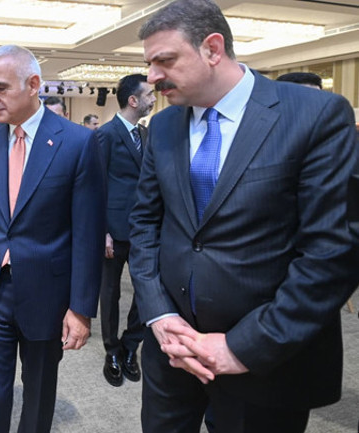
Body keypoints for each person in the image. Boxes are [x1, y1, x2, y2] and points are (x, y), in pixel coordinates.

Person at [129, 1, 359, 432]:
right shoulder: (163, 126)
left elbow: (332, 252)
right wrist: (159, 315)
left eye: (165, 60)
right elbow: (144, 225)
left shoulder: (315, 115)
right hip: (171, 350)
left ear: (213, 49)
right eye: (149, 64)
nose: (153, 77)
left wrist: (242, 347)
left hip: (265, 360)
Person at [0, 44, 104, 433]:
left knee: (38, 394)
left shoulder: (78, 142)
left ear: (33, 84)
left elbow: (87, 233)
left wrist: (81, 308)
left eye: (0, 88)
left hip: (47, 292)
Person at [95, 73, 155, 388]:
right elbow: (95, 186)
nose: (154, 99)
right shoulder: (105, 135)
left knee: (146, 291)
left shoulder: (145, 134)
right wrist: (102, 230)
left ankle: (131, 344)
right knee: (110, 293)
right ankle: (112, 351)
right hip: (113, 230)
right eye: (149, 95)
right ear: (133, 100)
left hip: (144, 229)